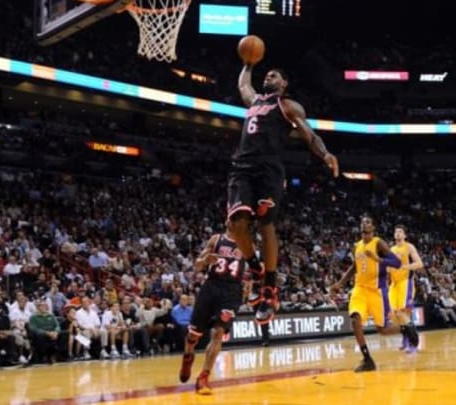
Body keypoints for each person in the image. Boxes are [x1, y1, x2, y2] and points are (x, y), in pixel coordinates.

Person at [234, 61, 339, 326]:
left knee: (265, 224)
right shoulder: (254, 100)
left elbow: (309, 134)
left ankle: (269, 287)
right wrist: (248, 63)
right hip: (242, 166)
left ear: (284, 84)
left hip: (268, 168)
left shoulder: (288, 106)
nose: (268, 76)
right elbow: (243, 85)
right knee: (235, 224)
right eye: (267, 74)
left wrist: (324, 153)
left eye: (274, 75)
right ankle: (255, 267)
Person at [330, 215, 419, 372]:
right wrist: (340, 283)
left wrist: (378, 259)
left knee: (382, 330)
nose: (365, 224)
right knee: (355, 320)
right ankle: (367, 359)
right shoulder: (356, 246)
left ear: (373, 227)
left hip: (377, 291)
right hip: (360, 289)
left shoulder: (379, 243)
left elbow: (397, 263)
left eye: (368, 222)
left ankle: (405, 329)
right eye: (363, 222)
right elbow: (354, 266)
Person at [178, 219, 246, 395]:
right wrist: (205, 260)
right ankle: (188, 356)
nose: (234, 222)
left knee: (218, 333)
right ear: (227, 222)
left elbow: (254, 269)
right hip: (211, 287)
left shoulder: (247, 243)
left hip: (232, 291)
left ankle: (203, 377)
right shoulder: (216, 240)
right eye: (232, 218)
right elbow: (197, 265)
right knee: (193, 335)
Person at [387, 225, 424, 353]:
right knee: (392, 314)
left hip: (405, 282)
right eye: (396, 231)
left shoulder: (409, 247)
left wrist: (405, 267)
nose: (397, 234)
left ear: (404, 235)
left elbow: (420, 263)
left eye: (400, 232)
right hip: (394, 284)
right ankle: (406, 339)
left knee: (403, 314)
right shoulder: (391, 249)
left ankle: (413, 343)